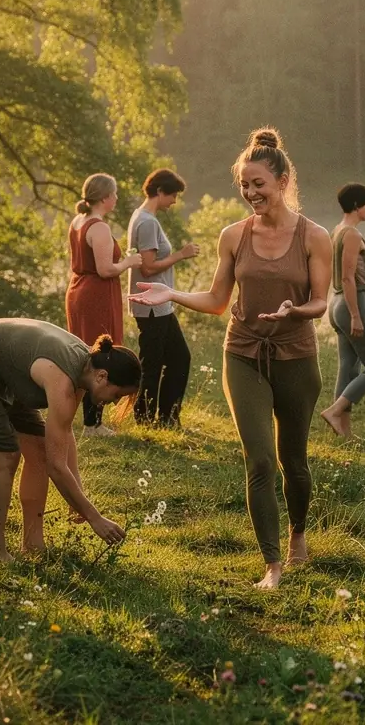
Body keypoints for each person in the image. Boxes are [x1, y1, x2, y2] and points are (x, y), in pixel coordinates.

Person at [130, 127, 330, 590]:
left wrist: (296, 310)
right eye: (244, 185)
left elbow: (321, 301)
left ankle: (298, 531)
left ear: (282, 181)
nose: (251, 193)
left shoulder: (315, 237)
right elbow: (218, 300)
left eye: (259, 184)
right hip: (243, 353)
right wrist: (172, 294)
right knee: (259, 460)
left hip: (296, 356)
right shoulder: (233, 236)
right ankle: (273, 564)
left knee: (293, 460)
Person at [0, 320, 141, 561]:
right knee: (7, 457)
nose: (114, 402)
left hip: (2, 370)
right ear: (102, 376)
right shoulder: (63, 379)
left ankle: (32, 546)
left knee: (39, 450)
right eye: (117, 394)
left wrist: (77, 498)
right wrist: (94, 517)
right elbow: (57, 467)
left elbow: (64, 434)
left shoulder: (84, 371)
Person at [65, 173, 141, 436]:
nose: (117, 198)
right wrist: (129, 262)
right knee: (100, 355)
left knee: (85, 352)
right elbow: (106, 269)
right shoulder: (98, 227)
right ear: (106, 197)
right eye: (115, 194)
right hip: (96, 294)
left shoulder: (78, 221)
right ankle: (92, 423)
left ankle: (85, 418)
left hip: (78, 289)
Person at [127, 168, 199, 427]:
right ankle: (147, 418)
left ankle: (166, 417)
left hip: (158, 305)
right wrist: (181, 254)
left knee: (175, 359)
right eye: (173, 195)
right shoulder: (147, 222)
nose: (175, 201)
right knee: (155, 363)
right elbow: (147, 267)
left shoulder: (143, 217)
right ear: (159, 191)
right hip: (152, 305)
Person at [319, 182, 365, 438]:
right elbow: (348, 277)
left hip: (337, 303)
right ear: (357, 205)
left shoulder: (336, 231)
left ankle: (344, 432)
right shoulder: (352, 235)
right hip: (352, 304)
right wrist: (356, 315)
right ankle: (334, 411)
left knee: (349, 367)